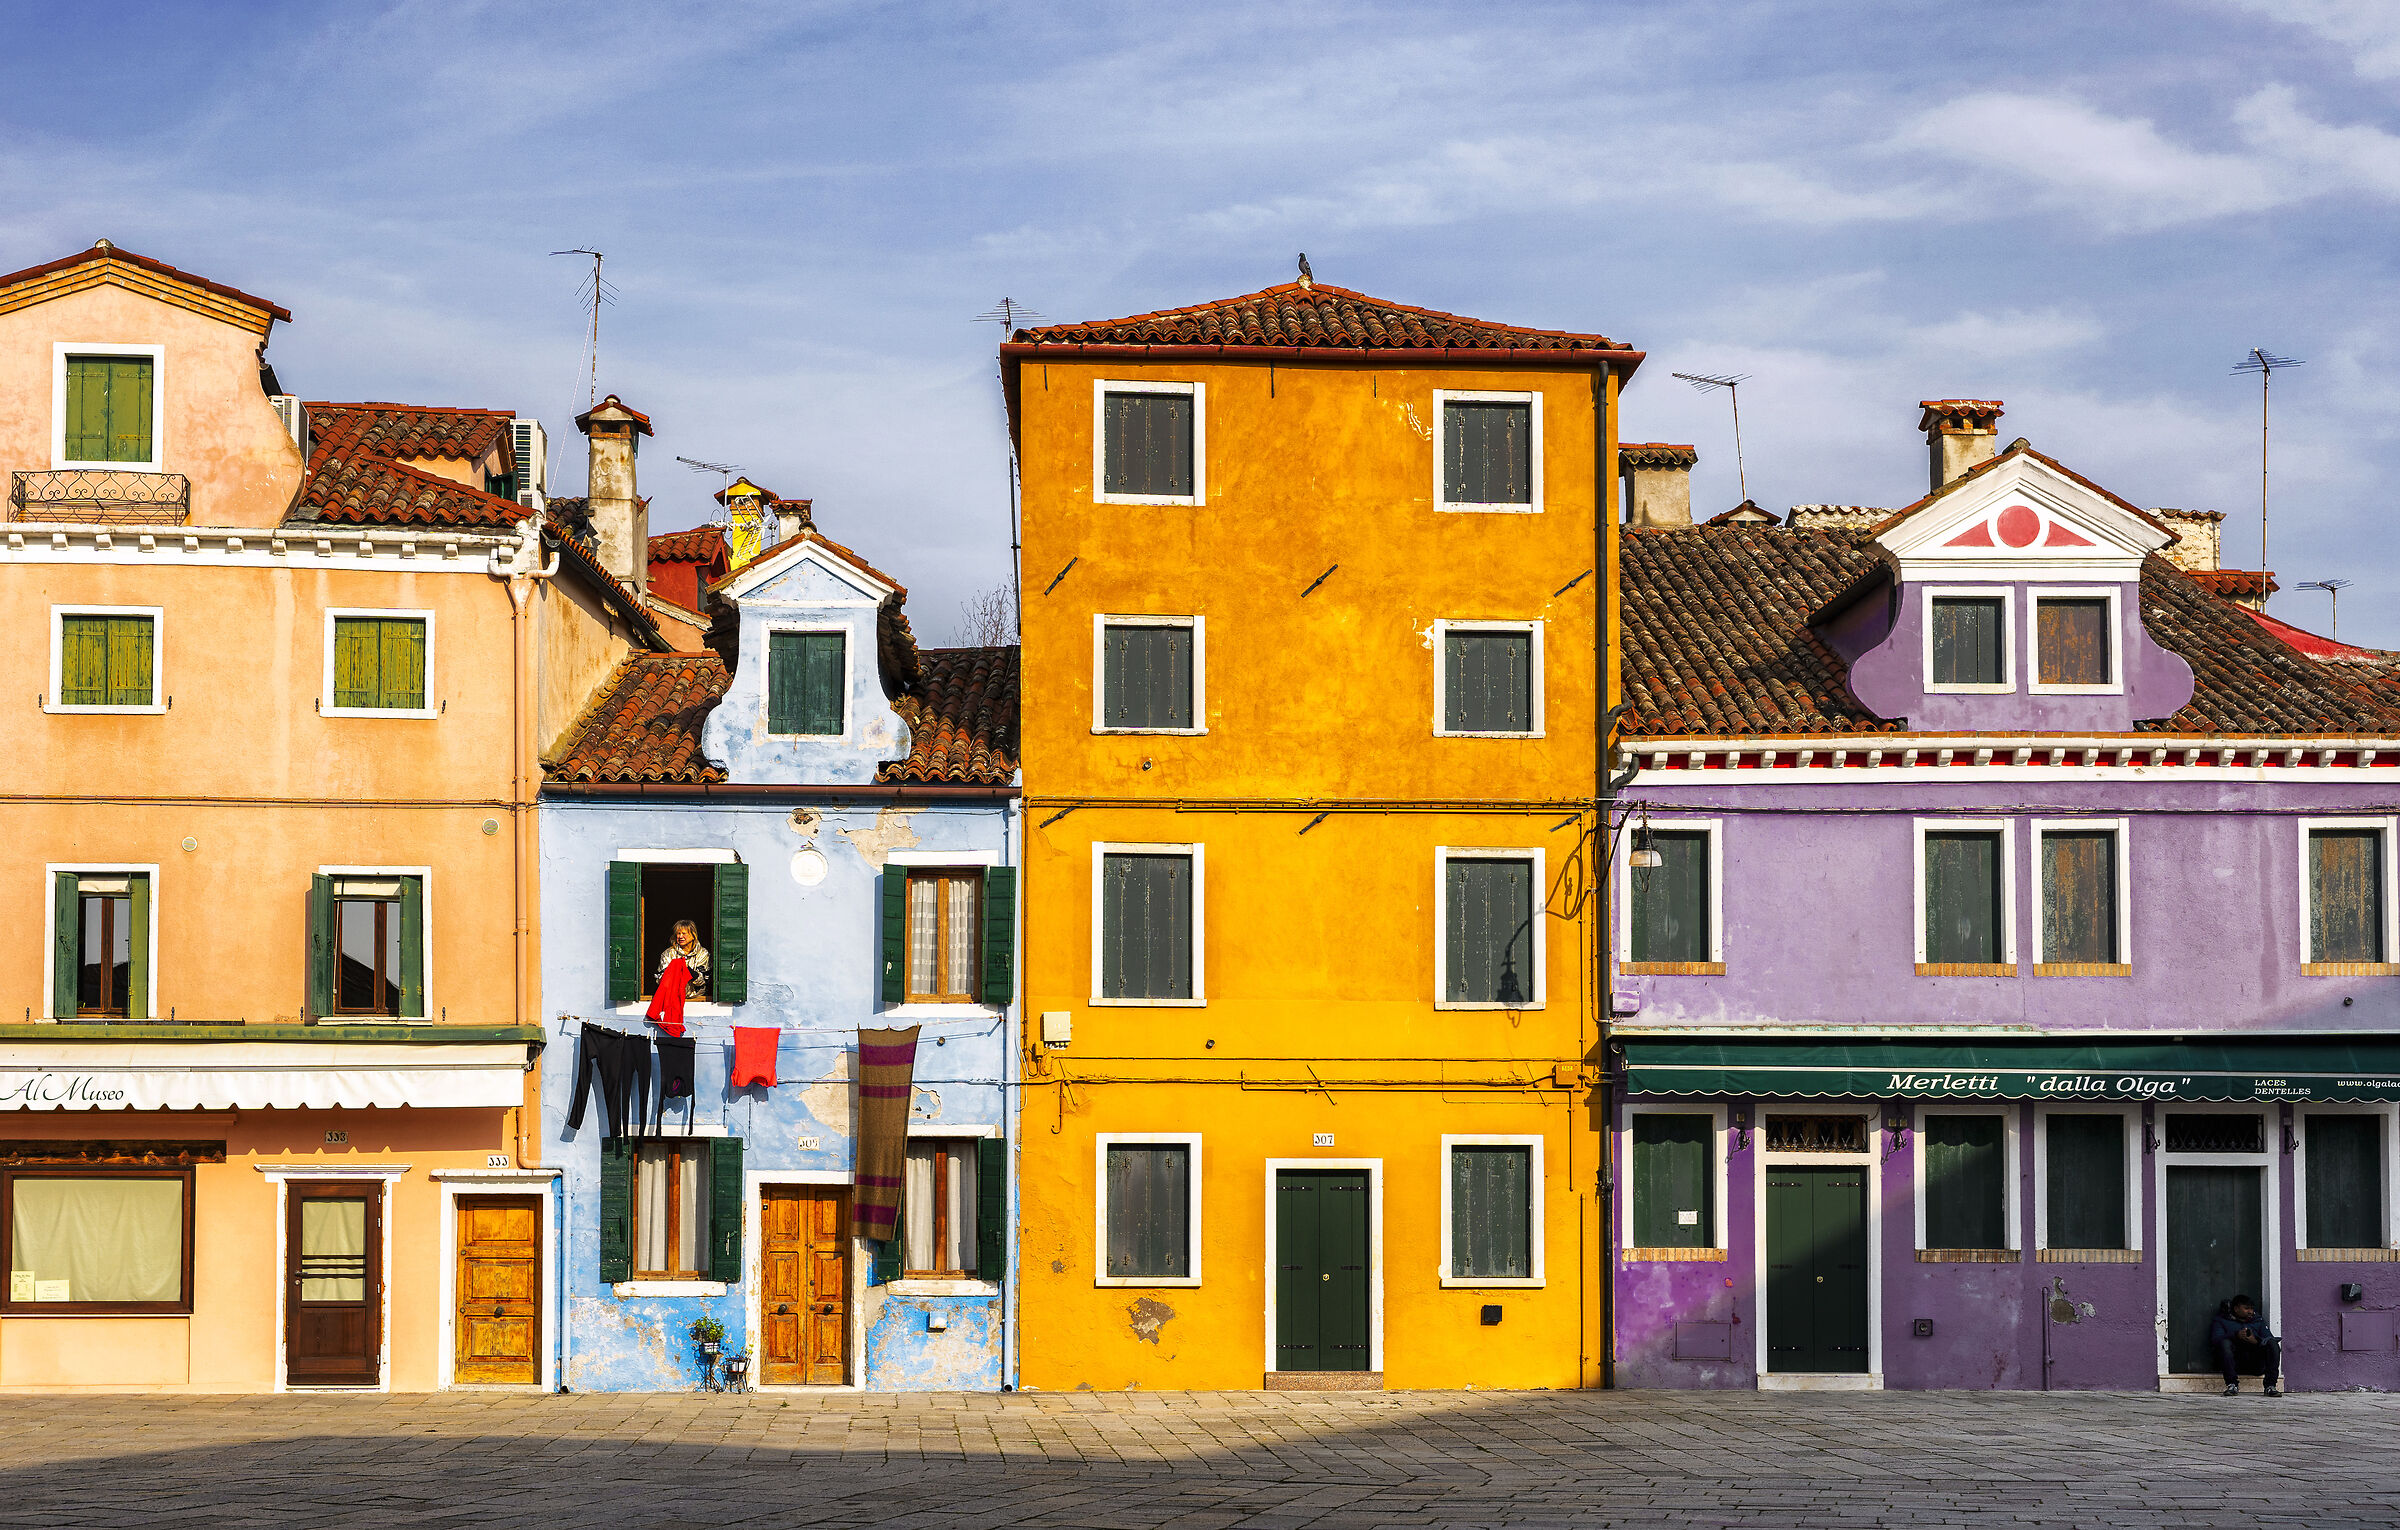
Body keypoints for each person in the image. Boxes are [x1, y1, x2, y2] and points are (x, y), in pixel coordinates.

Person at [2209, 1295, 2281, 1396]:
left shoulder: (2257, 1320)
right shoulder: (2222, 1320)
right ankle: (2232, 1385)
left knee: (2273, 1344)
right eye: (2246, 1308)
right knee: (2225, 1343)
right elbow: (2215, 1340)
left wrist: (2255, 1341)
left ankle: (2270, 1386)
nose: (2250, 1311)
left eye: (2251, 1308)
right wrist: (2236, 1335)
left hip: (2255, 1364)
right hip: (2232, 1363)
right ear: (2236, 1309)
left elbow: (2269, 1338)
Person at [657, 920, 710, 1000]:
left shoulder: (703, 953)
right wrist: (676, 968)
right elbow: (661, 979)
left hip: (697, 998)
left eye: (684, 933)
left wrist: (686, 970)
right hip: (673, 998)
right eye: (678, 933)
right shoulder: (668, 953)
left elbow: (703, 980)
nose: (680, 936)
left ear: (693, 935)